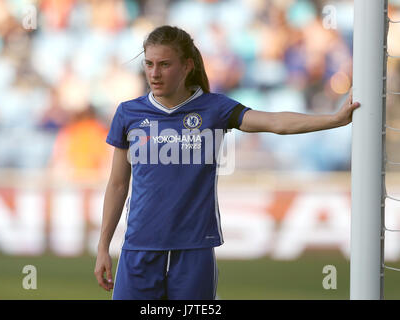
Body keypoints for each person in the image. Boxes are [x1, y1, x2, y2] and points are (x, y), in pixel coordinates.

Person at [94, 25, 360, 300]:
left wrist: (334, 119)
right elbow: (117, 185)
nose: (154, 73)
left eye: (164, 64)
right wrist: (103, 247)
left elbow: (275, 122)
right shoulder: (129, 113)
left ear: (187, 66)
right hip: (139, 247)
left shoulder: (214, 109)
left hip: (194, 248)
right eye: (149, 64)